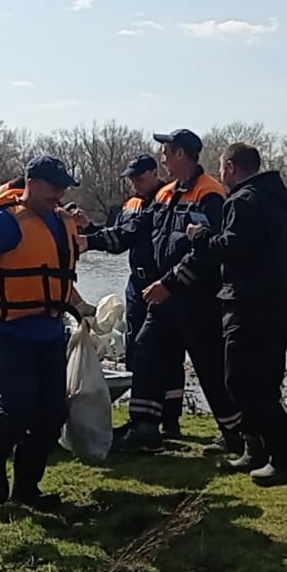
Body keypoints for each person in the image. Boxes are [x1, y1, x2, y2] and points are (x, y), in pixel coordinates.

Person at [0, 155, 96, 508]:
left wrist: (81, 306)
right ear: (32, 182)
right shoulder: (2, 223)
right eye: (53, 186)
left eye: (63, 187)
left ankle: (28, 488)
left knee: (52, 412)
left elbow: (54, 276)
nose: (58, 194)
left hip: (51, 330)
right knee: (17, 406)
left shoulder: (59, 223)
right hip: (8, 330)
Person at [188, 143, 287, 487]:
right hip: (278, 308)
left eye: (221, 167)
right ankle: (257, 450)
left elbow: (234, 248)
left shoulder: (244, 201)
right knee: (263, 385)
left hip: (251, 307)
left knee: (242, 384)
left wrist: (200, 237)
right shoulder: (272, 199)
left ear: (230, 167)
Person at [125, 129, 244, 455]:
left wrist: (169, 283)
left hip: (197, 298)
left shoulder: (210, 194)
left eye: (166, 152)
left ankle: (236, 432)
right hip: (165, 296)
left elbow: (208, 251)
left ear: (181, 154)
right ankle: (144, 427)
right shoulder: (164, 194)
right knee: (146, 348)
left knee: (209, 365)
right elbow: (136, 230)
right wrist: (89, 238)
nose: (161, 157)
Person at [75, 153, 184, 439]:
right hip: (136, 286)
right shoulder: (131, 204)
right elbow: (118, 239)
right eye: (131, 178)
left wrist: (90, 240)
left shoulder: (169, 199)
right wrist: (87, 228)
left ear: (154, 173)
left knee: (167, 353)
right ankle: (144, 420)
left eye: (139, 176)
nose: (134, 182)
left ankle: (167, 420)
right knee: (137, 351)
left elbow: (135, 232)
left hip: (163, 285)